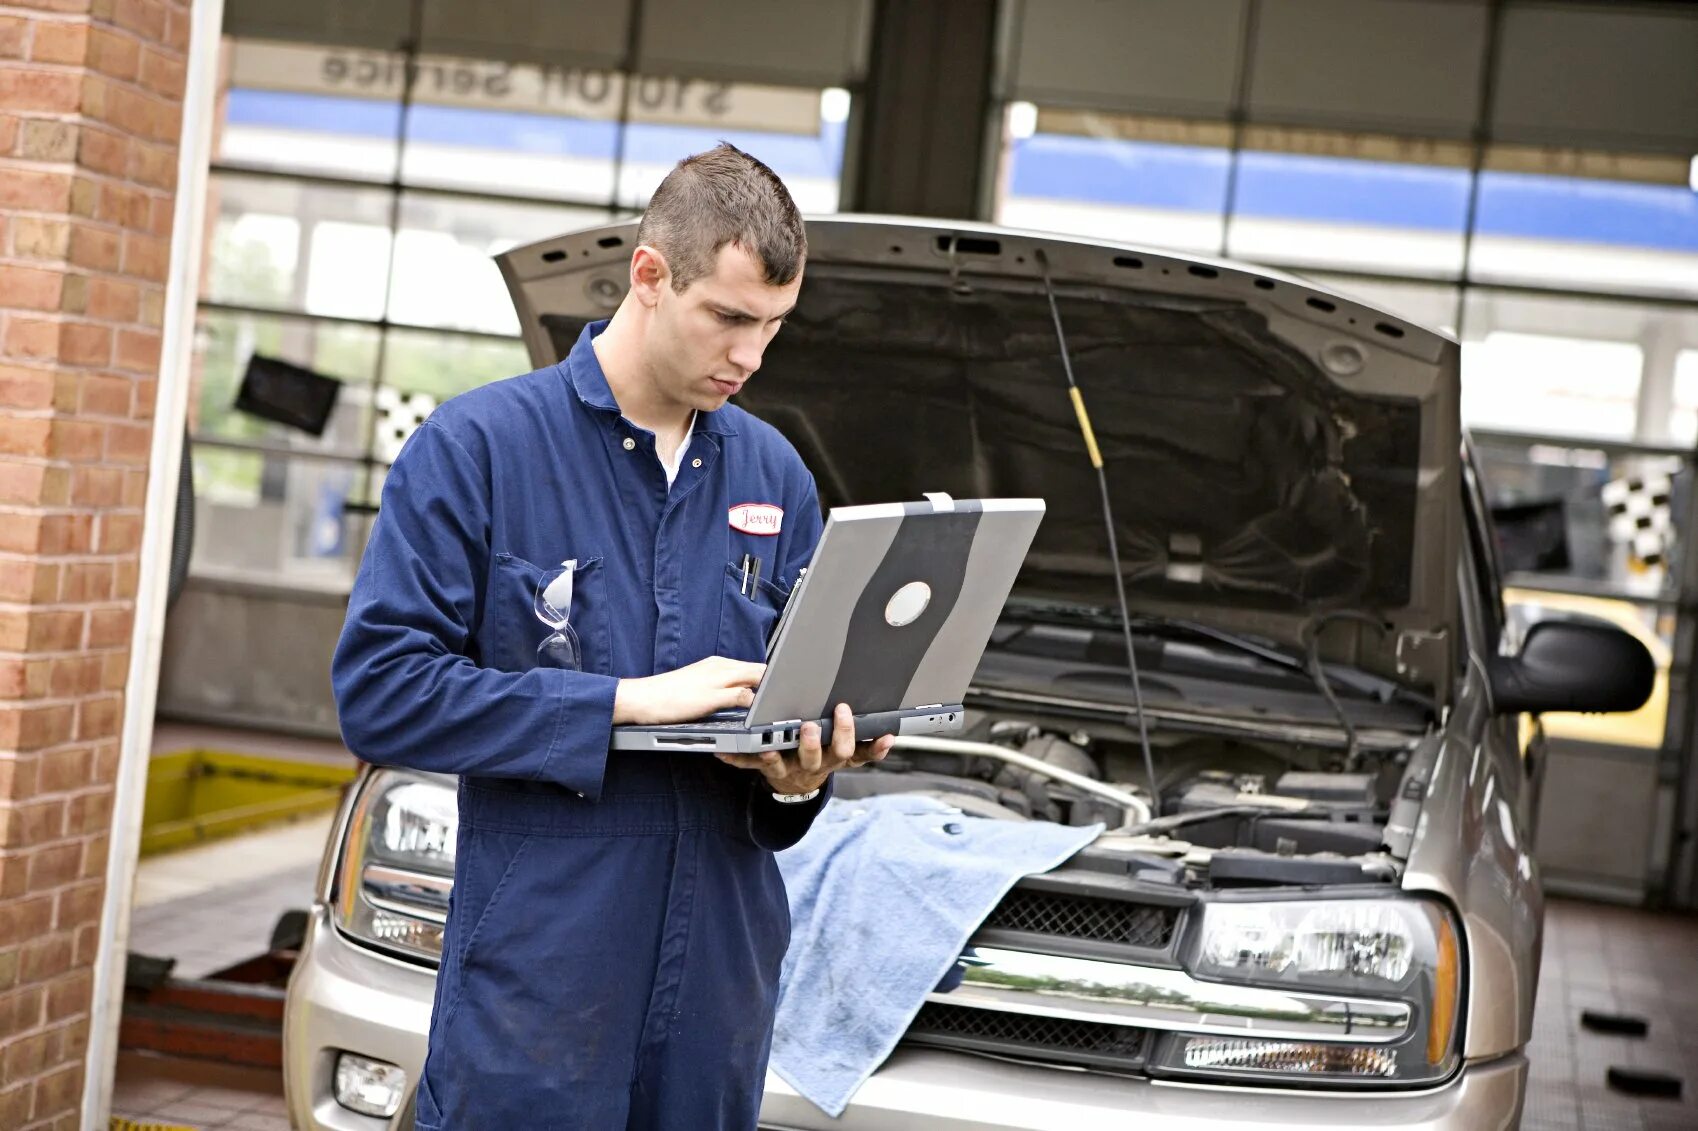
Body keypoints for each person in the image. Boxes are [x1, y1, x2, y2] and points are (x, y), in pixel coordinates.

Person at [331, 143, 895, 1130]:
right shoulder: (478, 450)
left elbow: (784, 761)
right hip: (538, 984)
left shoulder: (775, 475)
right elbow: (381, 691)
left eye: (771, 327)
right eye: (726, 318)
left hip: (717, 990)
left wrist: (802, 776)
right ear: (648, 275)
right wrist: (627, 702)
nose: (750, 357)